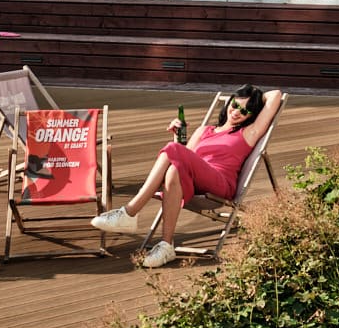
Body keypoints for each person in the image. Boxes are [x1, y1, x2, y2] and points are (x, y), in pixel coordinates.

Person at [92, 85, 284, 268]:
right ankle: (166, 246)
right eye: (234, 105)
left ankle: (130, 212)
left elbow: (276, 94)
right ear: (229, 102)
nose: (236, 112)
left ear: (251, 116)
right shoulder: (204, 130)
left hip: (220, 184)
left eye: (244, 111)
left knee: (174, 150)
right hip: (194, 183)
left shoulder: (248, 133)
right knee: (174, 169)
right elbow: (184, 157)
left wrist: (254, 100)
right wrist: (177, 137)